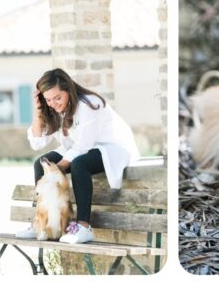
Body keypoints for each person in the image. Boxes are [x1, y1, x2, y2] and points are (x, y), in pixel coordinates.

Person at [18, 68, 140, 244]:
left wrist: (56, 170)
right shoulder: (52, 108)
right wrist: (39, 110)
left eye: (58, 98)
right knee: (40, 164)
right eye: (48, 99)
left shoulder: (90, 104)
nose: (54, 103)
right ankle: (41, 223)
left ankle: (83, 227)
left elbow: (83, 146)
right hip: (77, 147)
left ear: (68, 89)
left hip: (111, 147)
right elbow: (37, 142)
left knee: (78, 164)